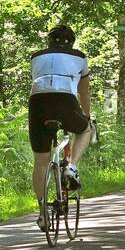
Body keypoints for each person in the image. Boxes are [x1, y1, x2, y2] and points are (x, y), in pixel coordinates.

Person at [29, 24, 92, 222]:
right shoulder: (80, 57)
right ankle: (71, 166)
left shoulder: (36, 56)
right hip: (65, 99)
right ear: (72, 42)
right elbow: (84, 92)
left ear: (49, 41)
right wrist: (87, 115)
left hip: (38, 102)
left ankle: (42, 213)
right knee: (85, 129)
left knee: (40, 160)